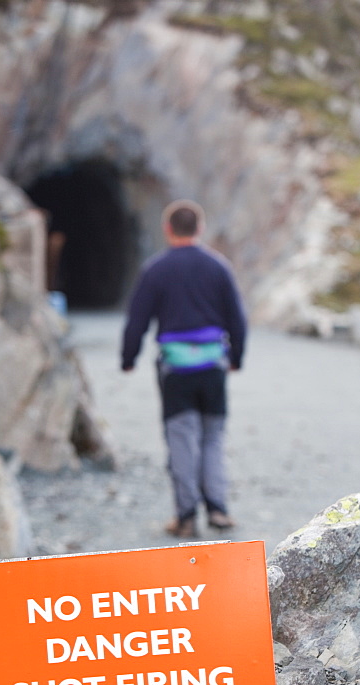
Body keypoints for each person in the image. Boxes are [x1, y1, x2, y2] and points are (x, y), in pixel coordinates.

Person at [120, 200, 247, 538]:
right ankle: (218, 509)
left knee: (181, 439)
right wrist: (236, 357)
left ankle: (186, 516)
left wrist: (128, 358)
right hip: (212, 366)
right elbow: (237, 318)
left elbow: (137, 320)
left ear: (168, 229)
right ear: (200, 228)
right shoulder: (218, 267)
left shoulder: (156, 269)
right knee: (213, 437)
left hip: (176, 369)